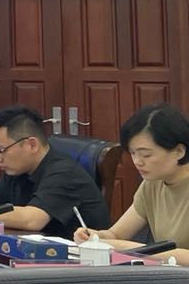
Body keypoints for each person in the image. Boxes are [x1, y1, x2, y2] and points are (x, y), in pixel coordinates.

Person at [0, 105, 109, 238]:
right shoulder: (16, 170)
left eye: (1, 150)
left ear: (32, 145)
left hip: (77, 252)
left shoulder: (65, 173)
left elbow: (32, 220)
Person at [75, 103, 189, 261]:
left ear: (179, 151)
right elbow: (116, 234)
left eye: (146, 155)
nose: (137, 162)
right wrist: (95, 236)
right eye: (133, 153)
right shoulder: (153, 183)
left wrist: (123, 247)